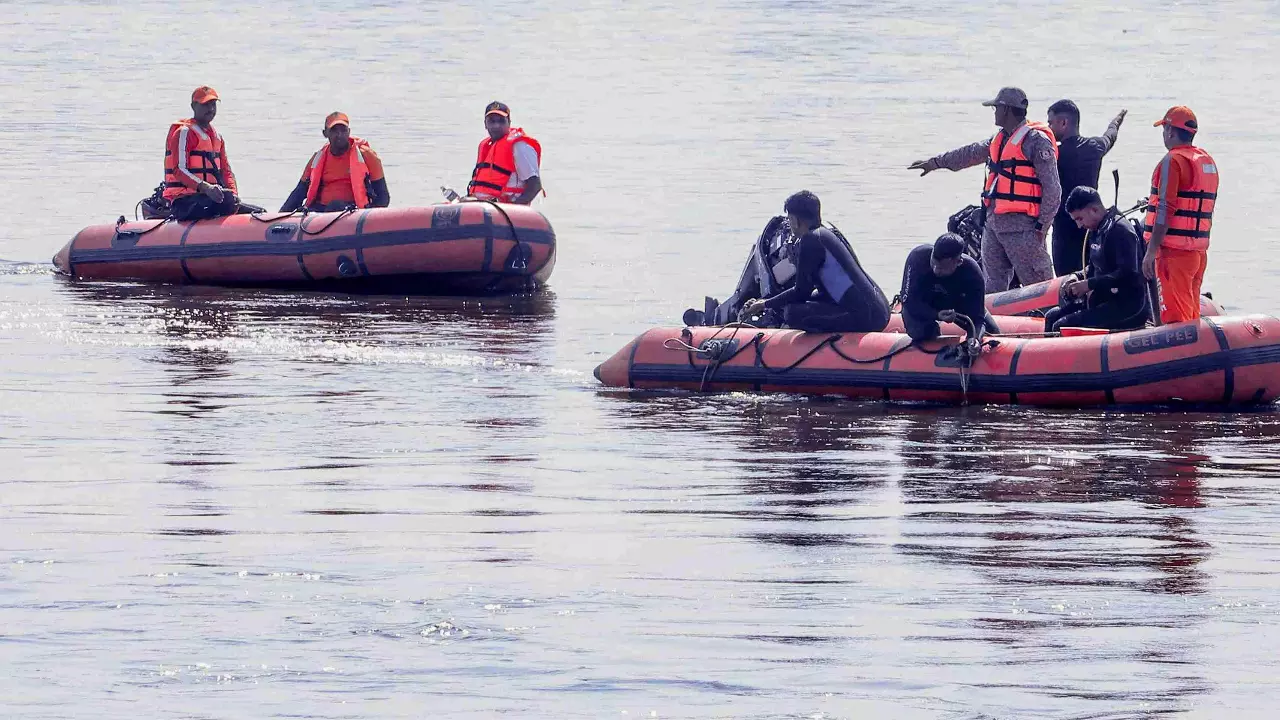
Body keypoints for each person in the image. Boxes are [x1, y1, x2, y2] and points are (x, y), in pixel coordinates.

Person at [909, 87, 1061, 293]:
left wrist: (1041, 227)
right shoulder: (998, 140)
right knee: (992, 287)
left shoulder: (1036, 141)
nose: (994, 112)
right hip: (993, 227)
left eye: (996, 108)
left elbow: (1053, 190)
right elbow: (968, 154)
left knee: (1038, 286)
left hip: (1023, 230)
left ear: (1006, 110)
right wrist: (935, 163)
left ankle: (1049, 323)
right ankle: (993, 324)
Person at [741, 191, 890, 333]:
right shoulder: (826, 234)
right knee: (790, 304)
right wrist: (764, 301)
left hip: (869, 318)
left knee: (792, 313)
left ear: (796, 220)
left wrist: (765, 304)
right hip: (879, 310)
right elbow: (814, 290)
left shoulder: (810, 240)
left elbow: (801, 292)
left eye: (790, 219)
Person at [1142, 106, 1218, 324]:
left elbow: (1166, 208)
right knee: (1190, 316)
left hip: (1172, 254)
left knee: (1175, 321)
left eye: (1164, 129)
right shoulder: (1205, 161)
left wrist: (1151, 251)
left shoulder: (1172, 161)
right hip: (1197, 254)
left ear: (1170, 132)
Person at [1043, 187, 1150, 332]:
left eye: (1080, 219)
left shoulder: (1121, 231)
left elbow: (1128, 274)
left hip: (1126, 305)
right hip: (1103, 299)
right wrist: (1077, 276)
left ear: (1094, 210)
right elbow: (1094, 267)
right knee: (1051, 316)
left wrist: (1089, 284)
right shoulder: (1096, 230)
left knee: (1061, 325)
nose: (1079, 225)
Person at [1046, 100, 1127, 275]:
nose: (1048, 127)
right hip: (1092, 226)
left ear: (1064, 123)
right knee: (1092, 275)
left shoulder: (1052, 155)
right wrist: (1117, 120)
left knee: (1065, 282)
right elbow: (1110, 135)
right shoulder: (1094, 147)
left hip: (1063, 229)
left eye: (1051, 123)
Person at [281, 112, 390, 212]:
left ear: (349, 131)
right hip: (320, 212)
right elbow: (299, 192)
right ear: (325, 133)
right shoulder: (317, 158)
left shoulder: (366, 155)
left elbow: (383, 197)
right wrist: (277, 219)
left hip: (353, 211)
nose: (339, 135)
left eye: (343, 130)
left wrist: (369, 219)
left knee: (336, 205)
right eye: (334, 130)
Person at [163, 86, 241, 221]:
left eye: (213, 104)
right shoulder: (184, 133)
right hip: (184, 201)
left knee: (255, 211)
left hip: (211, 199)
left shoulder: (218, 138)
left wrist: (234, 194)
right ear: (193, 106)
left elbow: (226, 172)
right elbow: (179, 170)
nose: (210, 109)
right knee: (224, 201)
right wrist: (206, 188)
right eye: (205, 104)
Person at [899, 233, 990, 342]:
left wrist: (974, 339)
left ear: (958, 262)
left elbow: (978, 319)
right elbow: (909, 302)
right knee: (921, 332)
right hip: (925, 303)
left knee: (991, 333)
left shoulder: (972, 272)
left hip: (956, 303)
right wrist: (936, 315)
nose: (936, 270)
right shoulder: (917, 258)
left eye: (942, 268)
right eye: (934, 263)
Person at [466, 101, 542, 204]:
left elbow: (535, 185)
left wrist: (514, 210)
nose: (496, 126)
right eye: (492, 121)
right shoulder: (486, 146)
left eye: (501, 121)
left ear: (509, 122)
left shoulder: (519, 146)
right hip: (482, 208)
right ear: (485, 124)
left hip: (506, 210)